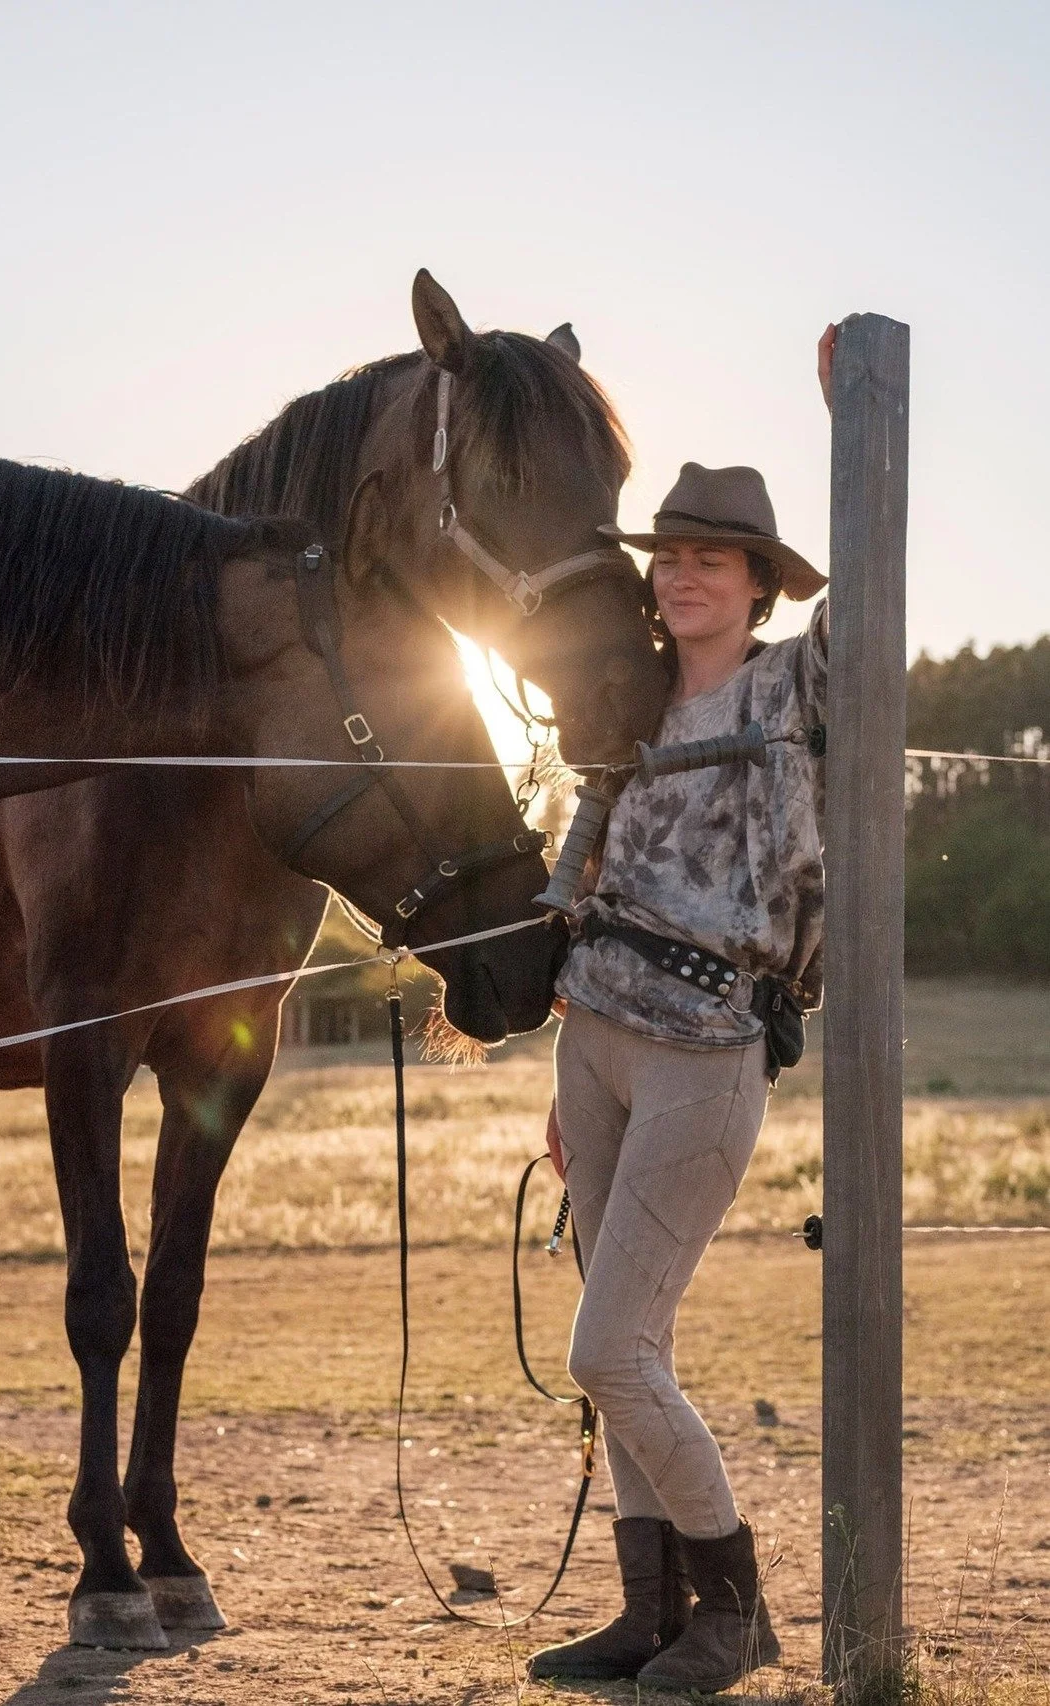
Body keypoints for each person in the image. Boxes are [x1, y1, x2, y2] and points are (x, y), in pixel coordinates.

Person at [527, 330, 836, 1692]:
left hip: (711, 1051)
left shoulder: (792, 689)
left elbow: (871, 609)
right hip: (592, 1039)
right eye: (673, 552)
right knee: (616, 1356)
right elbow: (587, 873)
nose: (684, 570)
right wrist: (559, 1079)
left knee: (613, 1343)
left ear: (760, 582)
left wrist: (855, 421)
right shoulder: (628, 699)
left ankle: (737, 1608)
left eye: (715, 556)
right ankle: (649, 1612)